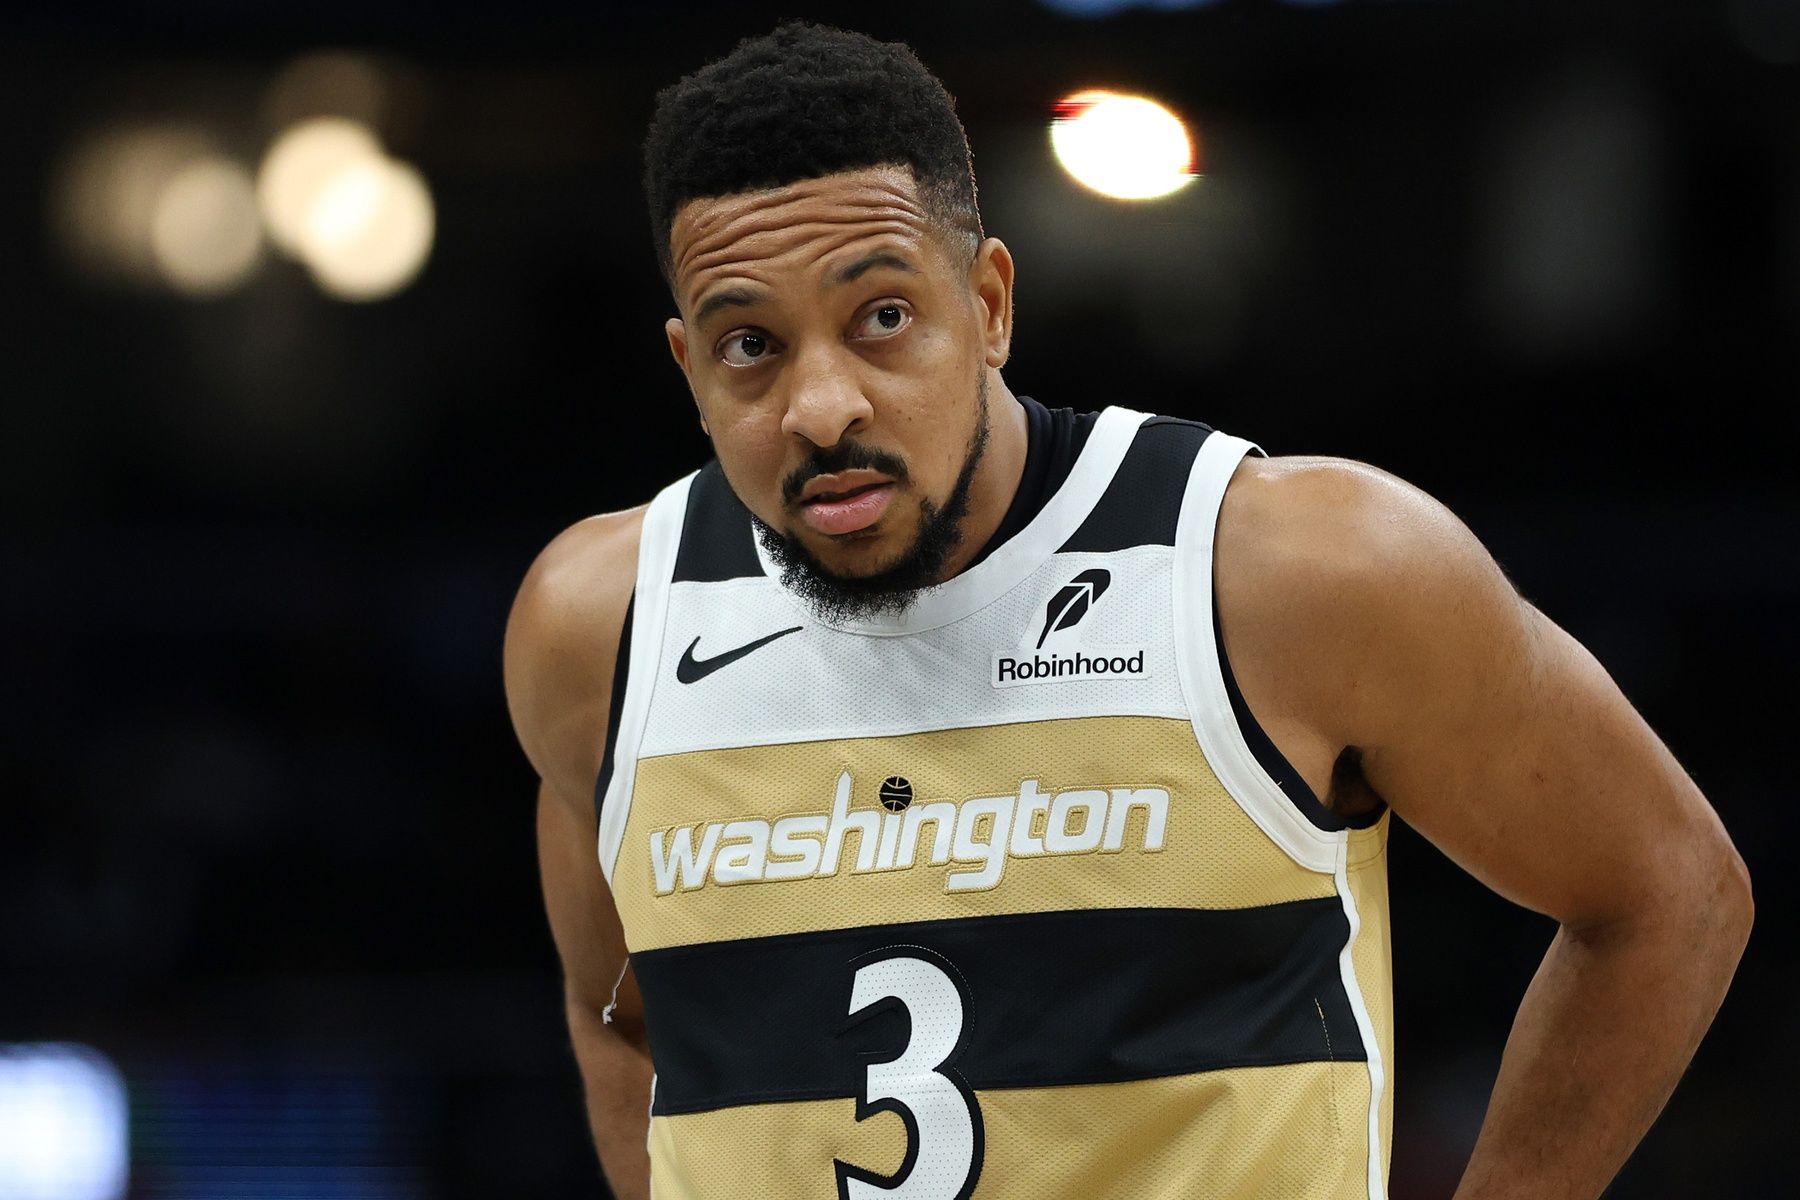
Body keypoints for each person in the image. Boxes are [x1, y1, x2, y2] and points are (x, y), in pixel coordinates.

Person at [503, 20, 1751, 1200]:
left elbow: (1669, 894)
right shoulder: (595, 626)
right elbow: (618, 1015)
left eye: (883, 319)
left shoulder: (1291, 568)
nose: (821, 405)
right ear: (688, 367)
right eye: (750, 346)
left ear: (989, 305)